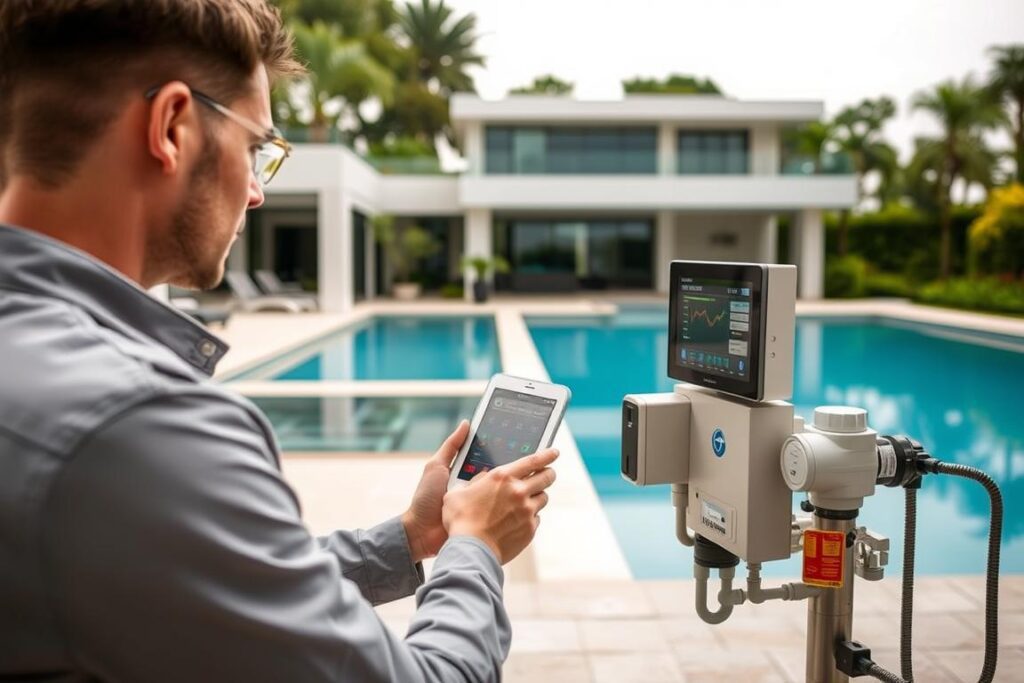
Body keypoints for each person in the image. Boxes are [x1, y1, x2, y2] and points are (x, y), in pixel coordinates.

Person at [0, 2, 558, 681]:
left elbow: (196, 576)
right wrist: (474, 544)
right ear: (171, 126)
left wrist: (413, 535)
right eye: (255, 148)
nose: (258, 192)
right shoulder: (139, 425)